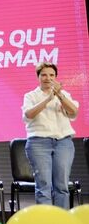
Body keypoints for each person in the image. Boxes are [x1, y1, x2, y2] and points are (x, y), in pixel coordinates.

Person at [22, 62, 79, 209]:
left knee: (62, 185)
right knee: (44, 185)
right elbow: (28, 114)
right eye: (44, 75)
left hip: (63, 142)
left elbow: (74, 112)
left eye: (51, 75)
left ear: (56, 77)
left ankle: (62, 223)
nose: (48, 78)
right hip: (38, 143)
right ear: (38, 77)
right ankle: (46, 222)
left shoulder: (64, 95)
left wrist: (59, 95)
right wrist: (48, 99)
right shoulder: (31, 95)